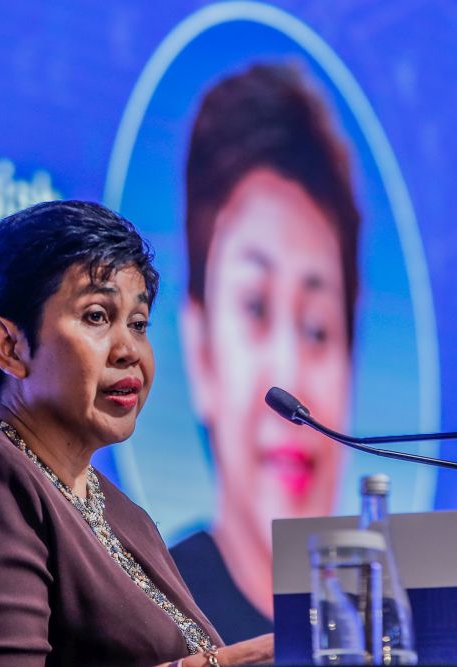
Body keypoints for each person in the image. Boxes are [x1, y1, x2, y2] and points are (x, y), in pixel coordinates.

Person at [0, 200, 273, 667]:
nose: (129, 350)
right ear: (9, 347)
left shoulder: (126, 516)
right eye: (96, 316)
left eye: (138, 324)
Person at [171, 62, 361, 643]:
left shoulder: (380, 629)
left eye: (318, 327)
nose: (290, 373)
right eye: (255, 309)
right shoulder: (152, 612)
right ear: (201, 352)